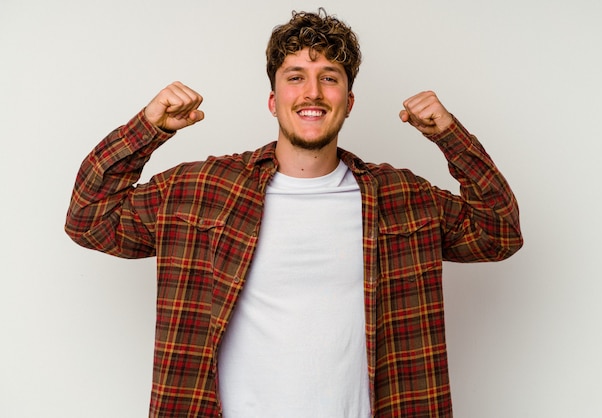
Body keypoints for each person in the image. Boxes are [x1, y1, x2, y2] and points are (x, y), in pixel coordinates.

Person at [65, 9, 522, 418]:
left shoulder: (400, 198)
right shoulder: (203, 191)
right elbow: (89, 218)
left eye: (329, 77)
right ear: (273, 99)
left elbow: (499, 232)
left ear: (348, 101)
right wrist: (147, 129)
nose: (312, 91)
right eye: (295, 75)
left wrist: (449, 136)